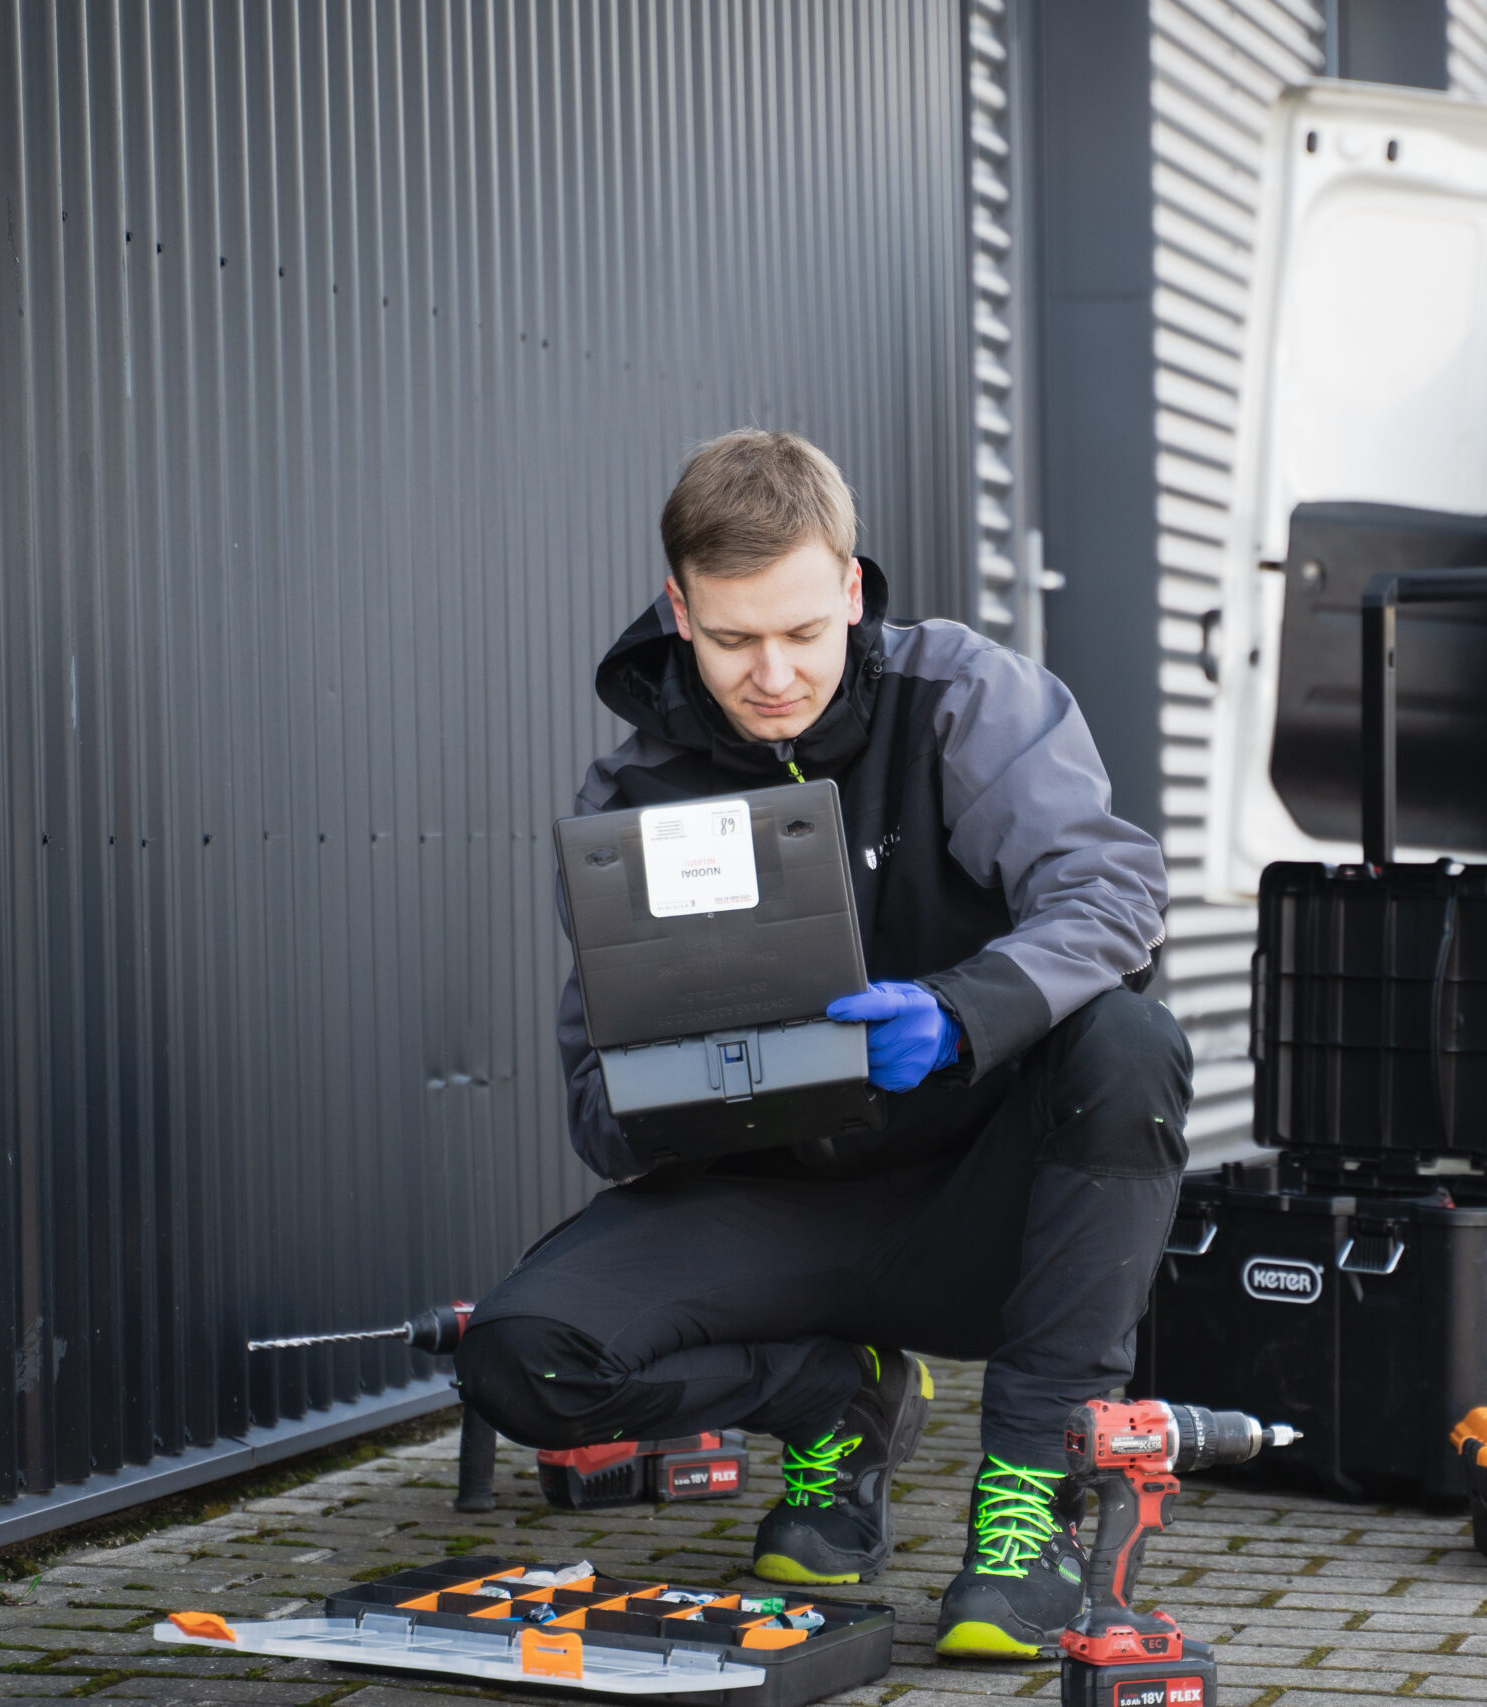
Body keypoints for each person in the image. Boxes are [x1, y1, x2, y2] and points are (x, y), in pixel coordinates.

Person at [454, 429, 1189, 1661]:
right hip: (771, 1199)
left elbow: (1110, 898)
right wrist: (690, 1073)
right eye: (732, 639)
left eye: (802, 631)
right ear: (679, 610)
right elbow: (596, 1115)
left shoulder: (962, 698)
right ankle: (833, 1401)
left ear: (851, 589)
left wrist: (958, 1014)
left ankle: (1030, 1498)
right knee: (522, 1362)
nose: (774, 674)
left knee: (1129, 1042)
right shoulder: (632, 796)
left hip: (975, 1200)